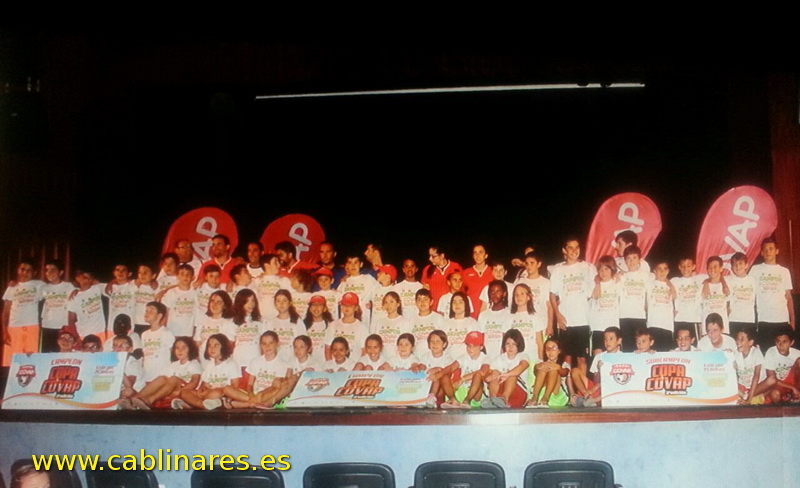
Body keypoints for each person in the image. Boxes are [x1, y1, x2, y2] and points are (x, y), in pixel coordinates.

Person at [549, 238, 596, 368]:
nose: (574, 251)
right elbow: (552, 295)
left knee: (582, 358)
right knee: (567, 358)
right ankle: (567, 382)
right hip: (566, 321)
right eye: (570, 247)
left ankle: (582, 382)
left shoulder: (588, 267)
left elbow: (597, 283)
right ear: (564, 250)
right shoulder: (558, 269)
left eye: (577, 247)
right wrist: (558, 315)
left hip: (583, 320)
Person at [221, 331, 292, 409]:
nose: (267, 346)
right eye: (264, 343)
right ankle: (253, 403)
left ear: (277, 344)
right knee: (227, 388)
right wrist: (251, 394)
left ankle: (246, 404)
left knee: (278, 389)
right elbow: (250, 384)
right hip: (253, 395)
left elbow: (274, 386)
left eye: (271, 343)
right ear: (260, 345)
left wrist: (260, 394)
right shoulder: (255, 361)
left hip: (268, 394)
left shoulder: (283, 364)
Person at [129, 336, 201, 410]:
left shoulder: (194, 364)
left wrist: (179, 391)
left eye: (183, 348)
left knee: (174, 378)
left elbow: (194, 383)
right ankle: (135, 398)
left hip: (186, 391)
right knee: (161, 378)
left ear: (190, 349)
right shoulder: (173, 365)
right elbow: (164, 382)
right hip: (172, 390)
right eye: (177, 348)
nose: (180, 350)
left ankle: (150, 400)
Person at [749, 237, 795, 351]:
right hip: (764, 320)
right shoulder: (755, 270)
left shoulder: (784, 271)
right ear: (761, 253)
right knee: (766, 352)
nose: (768, 252)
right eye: (765, 249)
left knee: (782, 354)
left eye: (771, 249)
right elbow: (746, 288)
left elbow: (788, 297)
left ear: (777, 251)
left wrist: (792, 320)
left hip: (782, 319)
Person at [175, 334, 240, 410]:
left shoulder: (231, 364)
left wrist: (226, 396)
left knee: (216, 393)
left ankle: (193, 404)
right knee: (185, 393)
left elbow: (234, 386)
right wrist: (201, 391)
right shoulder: (209, 365)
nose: (212, 348)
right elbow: (204, 385)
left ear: (224, 347)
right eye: (209, 345)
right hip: (209, 394)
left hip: (221, 394)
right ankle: (203, 404)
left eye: (216, 345)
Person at [2, 260, 43, 366]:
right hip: (14, 327)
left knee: (31, 361)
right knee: (11, 361)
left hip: (32, 326)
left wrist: (75, 289)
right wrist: (4, 331)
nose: (25, 272)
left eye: (29, 270)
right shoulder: (12, 287)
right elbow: (5, 311)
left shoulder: (39, 285)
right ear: (18, 270)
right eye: (22, 269)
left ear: (34, 272)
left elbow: (56, 287)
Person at [571, 326, 622, 407]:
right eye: (605, 339)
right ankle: (586, 396)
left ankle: (592, 400)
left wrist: (593, 389)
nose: (607, 342)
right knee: (574, 371)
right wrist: (590, 390)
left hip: (610, 389)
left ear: (619, 341)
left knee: (613, 385)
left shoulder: (623, 357)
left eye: (611, 339)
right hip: (598, 388)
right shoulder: (599, 356)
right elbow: (595, 380)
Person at [440, 331, 490, 409]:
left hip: (476, 394)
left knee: (477, 375)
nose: (471, 349)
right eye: (469, 346)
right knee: (444, 377)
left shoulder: (485, 358)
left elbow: (483, 372)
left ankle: (467, 401)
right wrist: (439, 373)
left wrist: (462, 379)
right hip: (463, 390)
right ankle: (453, 400)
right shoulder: (464, 357)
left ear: (481, 347)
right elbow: (452, 367)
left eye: (474, 346)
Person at [481, 328, 530, 409]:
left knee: (512, 376)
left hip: (519, 393)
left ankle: (504, 399)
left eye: (514, 344)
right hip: (499, 392)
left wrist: (506, 375)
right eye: (508, 344)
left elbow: (522, 366)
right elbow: (489, 377)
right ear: (504, 345)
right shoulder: (498, 358)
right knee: (495, 374)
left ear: (519, 345)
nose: (510, 347)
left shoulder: (523, 356)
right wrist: (494, 375)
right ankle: (492, 400)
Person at [514, 251, 553, 342]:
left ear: (539, 264)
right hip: (525, 324)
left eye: (532, 263)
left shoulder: (545, 282)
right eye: (527, 263)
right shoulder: (520, 281)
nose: (529, 266)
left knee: (540, 347)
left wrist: (550, 325)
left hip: (541, 323)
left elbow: (549, 306)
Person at [412, 330, 457, 407]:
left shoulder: (447, 358)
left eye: (438, 341)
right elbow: (422, 368)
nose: (435, 344)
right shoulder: (425, 357)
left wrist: (438, 369)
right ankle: (422, 399)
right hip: (427, 385)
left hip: (441, 388)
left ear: (444, 344)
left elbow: (448, 372)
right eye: (432, 341)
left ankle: (436, 398)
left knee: (440, 376)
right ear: (428, 344)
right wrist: (419, 367)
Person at [39, 259, 75, 352]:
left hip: (64, 327)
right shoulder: (43, 287)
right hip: (47, 326)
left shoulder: (69, 286)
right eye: (47, 270)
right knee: (48, 354)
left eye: (53, 270)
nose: (49, 272)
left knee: (63, 354)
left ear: (61, 272)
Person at [618, 246, 649, 352]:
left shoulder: (646, 276)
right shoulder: (620, 277)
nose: (631, 261)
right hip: (624, 316)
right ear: (625, 260)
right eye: (629, 258)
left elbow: (662, 281)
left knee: (642, 349)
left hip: (639, 316)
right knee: (628, 349)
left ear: (639, 259)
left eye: (634, 258)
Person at [588, 256, 620, 356]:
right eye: (601, 269)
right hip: (597, 327)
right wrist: (597, 283)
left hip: (612, 327)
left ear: (612, 269)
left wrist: (618, 274)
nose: (603, 272)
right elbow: (595, 296)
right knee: (598, 358)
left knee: (613, 358)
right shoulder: (594, 284)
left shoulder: (618, 283)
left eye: (606, 269)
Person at [193, 291, 236, 363]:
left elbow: (229, 345)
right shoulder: (202, 321)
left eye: (219, 302)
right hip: (204, 362)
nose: (214, 304)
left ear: (225, 305)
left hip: (221, 362)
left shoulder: (229, 323)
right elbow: (197, 345)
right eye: (212, 301)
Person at [324, 292, 368, 361]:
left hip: (354, 366)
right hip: (335, 366)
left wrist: (359, 366)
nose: (347, 307)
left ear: (356, 308)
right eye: (344, 305)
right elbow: (327, 349)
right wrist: (330, 365)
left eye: (350, 305)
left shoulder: (362, 327)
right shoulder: (333, 325)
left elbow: (364, 351)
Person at [528, 338, 570, 408]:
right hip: (540, 396)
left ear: (559, 350)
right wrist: (538, 367)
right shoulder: (541, 362)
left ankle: (546, 397)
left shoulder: (564, 364)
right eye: (548, 348)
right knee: (542, 368)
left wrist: (558, 367)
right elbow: (535, 372)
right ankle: (534, 398)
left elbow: (565, 373)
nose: (550, 351)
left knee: (553, 369)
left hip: (556, 397)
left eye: (553, 348)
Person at [761, 328, 800, 404]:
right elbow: (771, 379)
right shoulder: (771, 352)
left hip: (793, 383)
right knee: (775, 394)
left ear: (791, 342)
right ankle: (782, 406)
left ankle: (795, 397)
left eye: (784, 342)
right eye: (778, 341)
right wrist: (792, 388)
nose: (781, 345)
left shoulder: (797, 353)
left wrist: (796, 388)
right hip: (778, 385)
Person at [230, 289, 265, 374]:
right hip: (238, 362)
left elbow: (264, 343)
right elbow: (230, 344)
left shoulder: (260, 321)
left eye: (253, 300)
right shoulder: (233, 322)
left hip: (255, 361)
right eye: (247, 301)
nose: (251, 304)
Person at [337, 255, 378, 326]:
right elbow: (337, 301)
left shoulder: (368, 279)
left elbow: (380, 292)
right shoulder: (344, 282)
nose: (353, 266)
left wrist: (373, 304)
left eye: (355, 262)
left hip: (364, 321)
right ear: (347, 265)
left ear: (361, 264)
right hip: (346, 322)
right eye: (350, 262)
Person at [140, 302, 176, 383]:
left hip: (162, 375)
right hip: (147, 375)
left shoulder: (166, 333)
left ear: (159, 316)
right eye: (146, 311)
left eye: (151, 311)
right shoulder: (144, 334)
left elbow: (172, 354)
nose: (147, 313)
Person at [506, 283, 542, 360]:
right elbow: (505, 342)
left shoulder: (535, 316)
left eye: (522, 294)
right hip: (515, 359)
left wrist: (540, 360)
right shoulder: (509, 317)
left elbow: (540, 343)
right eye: (516, 294)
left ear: (528, 297)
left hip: (532, 358)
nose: (519, 297)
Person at [67, 269, 106, 340]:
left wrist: (112, 281)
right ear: (78, 278)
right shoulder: (74, 296)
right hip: (83, 332)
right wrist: (75, 335)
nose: (88, 279)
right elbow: (71, 319)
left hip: (100, 331)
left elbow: (114, 285)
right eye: (85, 277)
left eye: (90, 277)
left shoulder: (97, 288)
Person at [159, 263, 197, 337]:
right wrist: (163, 329)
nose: (185, 277)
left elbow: (196, 313)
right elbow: (166, 312)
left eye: (188, 274)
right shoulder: (171, 292)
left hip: (188, 333)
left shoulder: (195, 293)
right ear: (177, 276)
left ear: (193, 277)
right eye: (182, 274)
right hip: (172, 331)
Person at [267, 289, 304, 363]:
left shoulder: (297, 322)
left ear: (290, 303)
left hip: (293, 362)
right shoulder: (270, 323)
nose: (281, 304)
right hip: (275, 362)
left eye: (284, 301)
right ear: (275, 304)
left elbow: (303, 343)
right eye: (278, 301)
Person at [370, 291, 410, 358]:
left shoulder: (405, 322)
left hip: (397, 359)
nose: (388, 305)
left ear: (398, 304)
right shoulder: (379, 323)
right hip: (381, 359)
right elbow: (375, 343)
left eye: (391, 302)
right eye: (386, 302)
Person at [646, 260, 676, 351]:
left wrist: (669, 284)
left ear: (668, 271)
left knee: (666, 353)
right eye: (659, 269)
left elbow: (674, 296)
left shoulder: (671, 285)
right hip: (653, 324)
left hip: (667, 325)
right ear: (654, 271)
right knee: (653, 353)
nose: (662, 271)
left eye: (665, 269)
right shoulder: (649, 283)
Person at [671, 257, 703, 340]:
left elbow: (715, 276)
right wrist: (671, 309)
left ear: (693, 266)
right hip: (679, 318)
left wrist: (706, 284)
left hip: (695, 318)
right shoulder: (674, 281)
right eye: (683, 266)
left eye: (688, 266)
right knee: (679, 344)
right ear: (679, 267)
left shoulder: (700, 279)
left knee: (696, 344)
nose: (685, 269)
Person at [421, 244, 462, 310]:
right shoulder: (427, 270)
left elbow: (462, 287)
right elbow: (424, 291)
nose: (430, 259)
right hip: (434, 309)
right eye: (429, 256)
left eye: (433, 256)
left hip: (452, 308)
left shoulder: (456, 267)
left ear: (442, 255)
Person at [734, 327, 767, 405]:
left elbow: (756, 376)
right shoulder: (735, 353)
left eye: (742, 339)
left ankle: (749, 398)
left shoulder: (756, 353)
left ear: (750, 342)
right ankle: (746, 397)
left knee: (771, 380)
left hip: (757, 387)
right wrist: (727, 355)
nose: (738, 342)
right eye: (737, 339)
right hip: (743, 388)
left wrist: (748, 399)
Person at [253, 254, 292, 319]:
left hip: (279, 318)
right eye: (275, 262)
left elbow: (292, 298)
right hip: (261, 318)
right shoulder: (257, 281)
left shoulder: (284, 280)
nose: (279, 265)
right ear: (266, 265)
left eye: (278, 262)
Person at [478, 280, 510, 357]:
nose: (494, 295)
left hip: (502, 357)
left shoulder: (509, 314)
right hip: (486, 357)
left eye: (498, 291)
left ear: (504, 294)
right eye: (492, 292)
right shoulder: (483, 315)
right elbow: (480, 337)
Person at [727, 252, 756, 340]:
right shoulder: (728, 279)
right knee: (734, 344)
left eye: (740, 263)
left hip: (749, 320)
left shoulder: (753, 280)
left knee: (748, 344)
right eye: (735, 264)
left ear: (746, 265)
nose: (738, 266)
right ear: (732, 268)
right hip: (733, 319)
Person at [442, 292, 479, 359]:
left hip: (467, 360)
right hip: (448, 360)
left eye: (460, 302)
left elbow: (474, 347)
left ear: (466, 304)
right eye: (454, 302)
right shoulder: (446, 323)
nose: (457, 305)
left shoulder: (472, 323)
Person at [103, 264, 136, 337]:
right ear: (114, 273)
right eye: (117, 270)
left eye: (124, 270)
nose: (120, 272)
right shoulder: (110, 286)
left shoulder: (133, 285)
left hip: (128, 326)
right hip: (112, 326)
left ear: (129, 273)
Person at [462, 244, 494, 318]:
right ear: (473, 256)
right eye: (475, 252)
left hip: (488, 312)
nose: (477, 255)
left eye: (480, 252)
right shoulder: (466, 272)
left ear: (486, 255)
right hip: (471, 313)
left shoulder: (492, 271)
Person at [701, 256, 730, 334]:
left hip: (723, 327)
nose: (712, 269)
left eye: (715, 267)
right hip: (707, 328)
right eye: (710, 267)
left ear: (721, 268)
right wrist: (706, 282)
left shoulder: (727, 285)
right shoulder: (702, 285)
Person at [409, 288, 443, 356]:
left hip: (434, 356)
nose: (422, 302)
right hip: (417, 357)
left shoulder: (439, 318)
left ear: (431, 302)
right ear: (415, 302)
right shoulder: (411, 321)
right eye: (419, 300)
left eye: (425, 299)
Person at [192, 264, 222, 333]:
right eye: (211, 276)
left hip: (212, 325)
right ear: (206, 277)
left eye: (217, 276)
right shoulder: (199, 286)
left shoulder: (222, 290)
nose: (214, 279)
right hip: (196, 323)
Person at [132, 264, 160, 336]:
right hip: (135, 323)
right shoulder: (133, 285)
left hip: (150, 323)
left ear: (153, 275)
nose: (142, 275)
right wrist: (112, 282)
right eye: (140, 272)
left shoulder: (157, 288)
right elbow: (120, 281)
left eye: (145, 272)